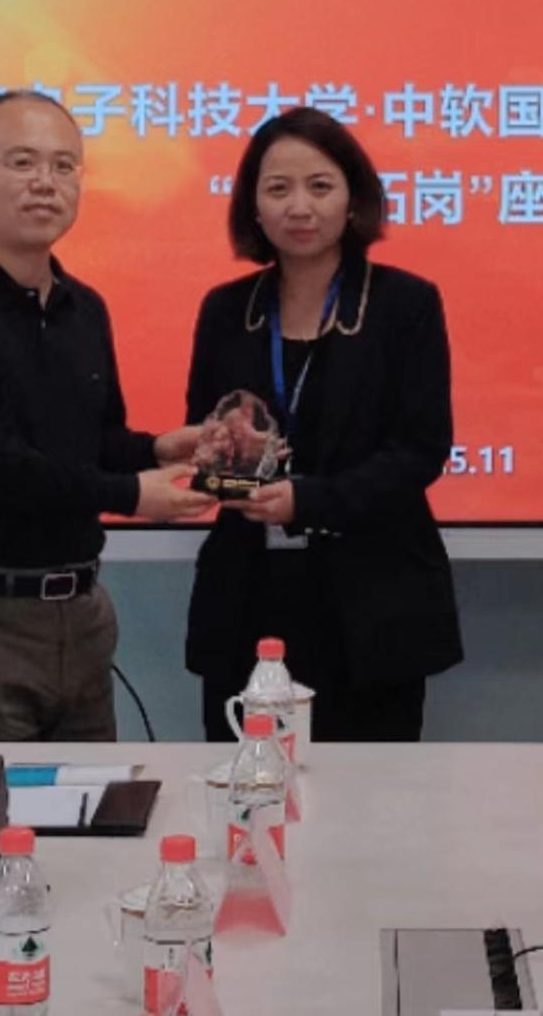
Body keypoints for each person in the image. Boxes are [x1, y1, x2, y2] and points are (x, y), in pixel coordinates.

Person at [0, 89, 211, 741]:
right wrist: (131, 494)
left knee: (96, 807)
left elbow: (92, 442)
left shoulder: (82, 307)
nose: (45, 182)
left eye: (64, 166)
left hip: (79, 617)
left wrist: (158, 450)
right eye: (22, 162)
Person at [183, 107, 462, 743]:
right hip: (248, 595)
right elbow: (203, 438)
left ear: (352, 199)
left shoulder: (404, 305)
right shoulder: (227, 310)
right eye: (278, 188)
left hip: (372, 598)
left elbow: (420, 449)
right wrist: (235, 461)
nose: (299, 207)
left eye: (320, 186)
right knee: (250, 782)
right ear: (253, 206)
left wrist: (308, 500)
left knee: (373, 793)